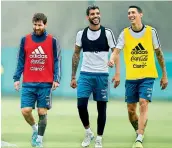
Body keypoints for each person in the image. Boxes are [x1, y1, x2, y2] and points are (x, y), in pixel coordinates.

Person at [108, 5, 168, 148]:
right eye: (129, 13)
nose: (130, 15)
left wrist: (164, 74)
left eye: (133, 12)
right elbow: (116, 51)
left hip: (147, 76)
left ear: (141, 14)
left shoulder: (150, 32)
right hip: (131, 78)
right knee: (130, 110)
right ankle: (138, 131)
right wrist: (111, 59)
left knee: (143, 102)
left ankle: (139, 138)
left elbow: (159, 54)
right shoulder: (124, 33)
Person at [70, 5, 120, 148]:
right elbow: (76, 54)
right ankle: (88, 132)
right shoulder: (81, 34)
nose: (96, 16)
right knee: (81, 105)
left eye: (98, 13)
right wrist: (73, 76)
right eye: (92, 14)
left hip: (102, 76)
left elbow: (116, 53)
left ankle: (99, 138)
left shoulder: (107, 33)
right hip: (85, 75)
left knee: (101, 108)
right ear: (88, 17)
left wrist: (117, 73)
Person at [13, 13, 61, 148]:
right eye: (35, 24)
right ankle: (35, 129)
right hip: (28, 83)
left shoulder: (52, 41)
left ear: (45, 24)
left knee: (42, 112)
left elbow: (57, 61)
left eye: (39, 25)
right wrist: (17, 78)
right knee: (25, 111)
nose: (37, 27)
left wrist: (56, 78)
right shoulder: (25, 40)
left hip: (45, 84)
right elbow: (21, 60)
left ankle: (39, 140)